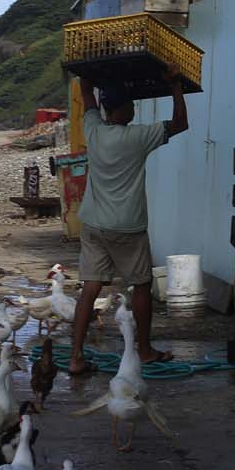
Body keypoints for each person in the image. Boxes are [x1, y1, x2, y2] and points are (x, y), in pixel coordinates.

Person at [67, 68, 188, 376]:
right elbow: (180, 124)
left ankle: (76, 357)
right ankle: (144, 350)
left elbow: (85, 92)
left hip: (93, 224)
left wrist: (88, 68)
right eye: (131, 104)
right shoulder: (138, 136)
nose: (134, 108)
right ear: (124, 109)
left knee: (90, 288)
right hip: (127, 227)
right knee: (142, 286)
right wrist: (175, 86)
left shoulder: (94, 130)